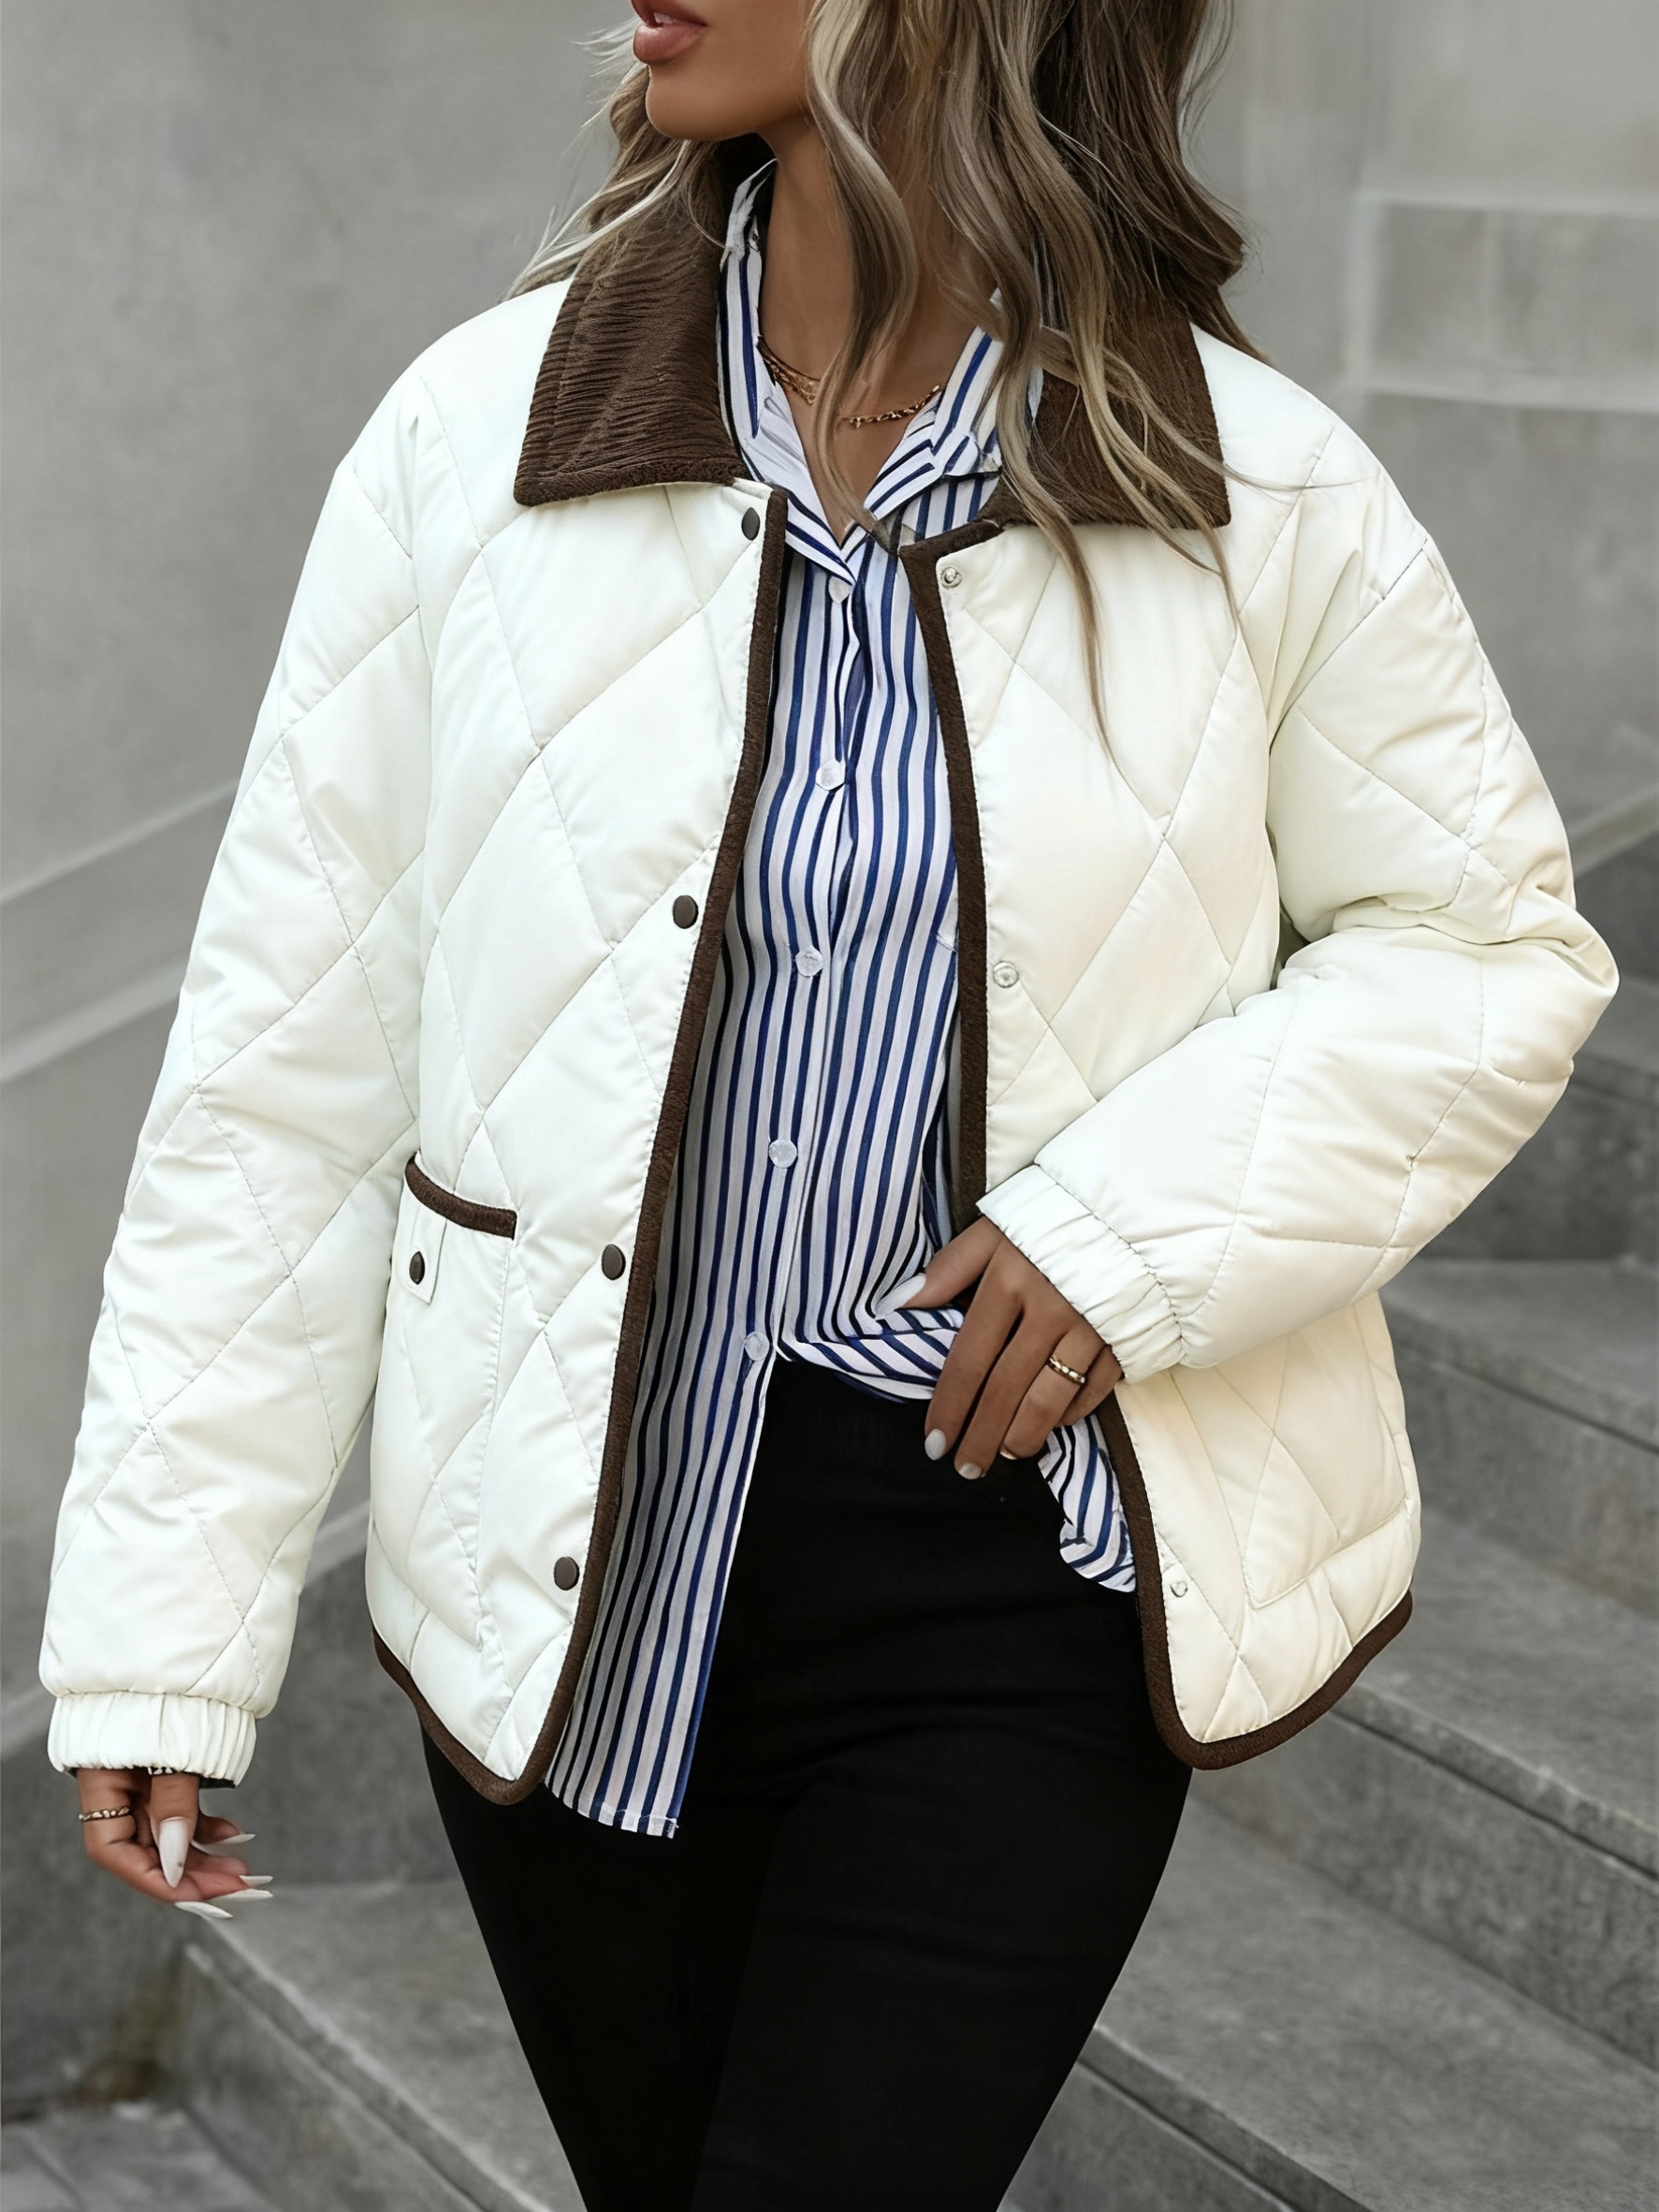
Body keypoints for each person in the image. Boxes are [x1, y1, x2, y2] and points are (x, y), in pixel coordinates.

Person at [42, 2, 1615, 2206]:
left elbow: (1485, 949)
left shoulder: (1251, 490)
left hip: (1009, 1571)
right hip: (579, 1557)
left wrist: (1127, 1230)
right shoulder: (470, 441)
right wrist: (166, 1635)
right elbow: (279, 1078)